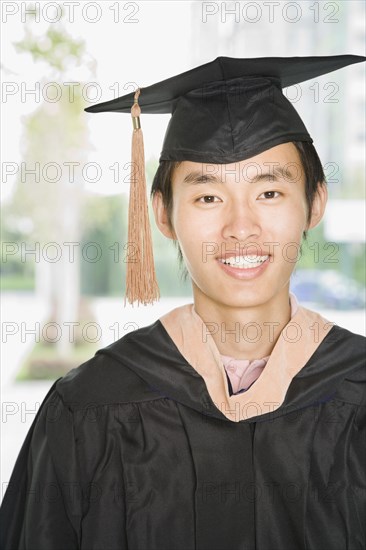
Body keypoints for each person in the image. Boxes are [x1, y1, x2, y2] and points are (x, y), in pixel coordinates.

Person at [1, 55, 365, 550]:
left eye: (270, 192)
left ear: (315, 203)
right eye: (208, 197)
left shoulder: (357, 392)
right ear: (164, 214)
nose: (241, 227)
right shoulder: (89, 406)